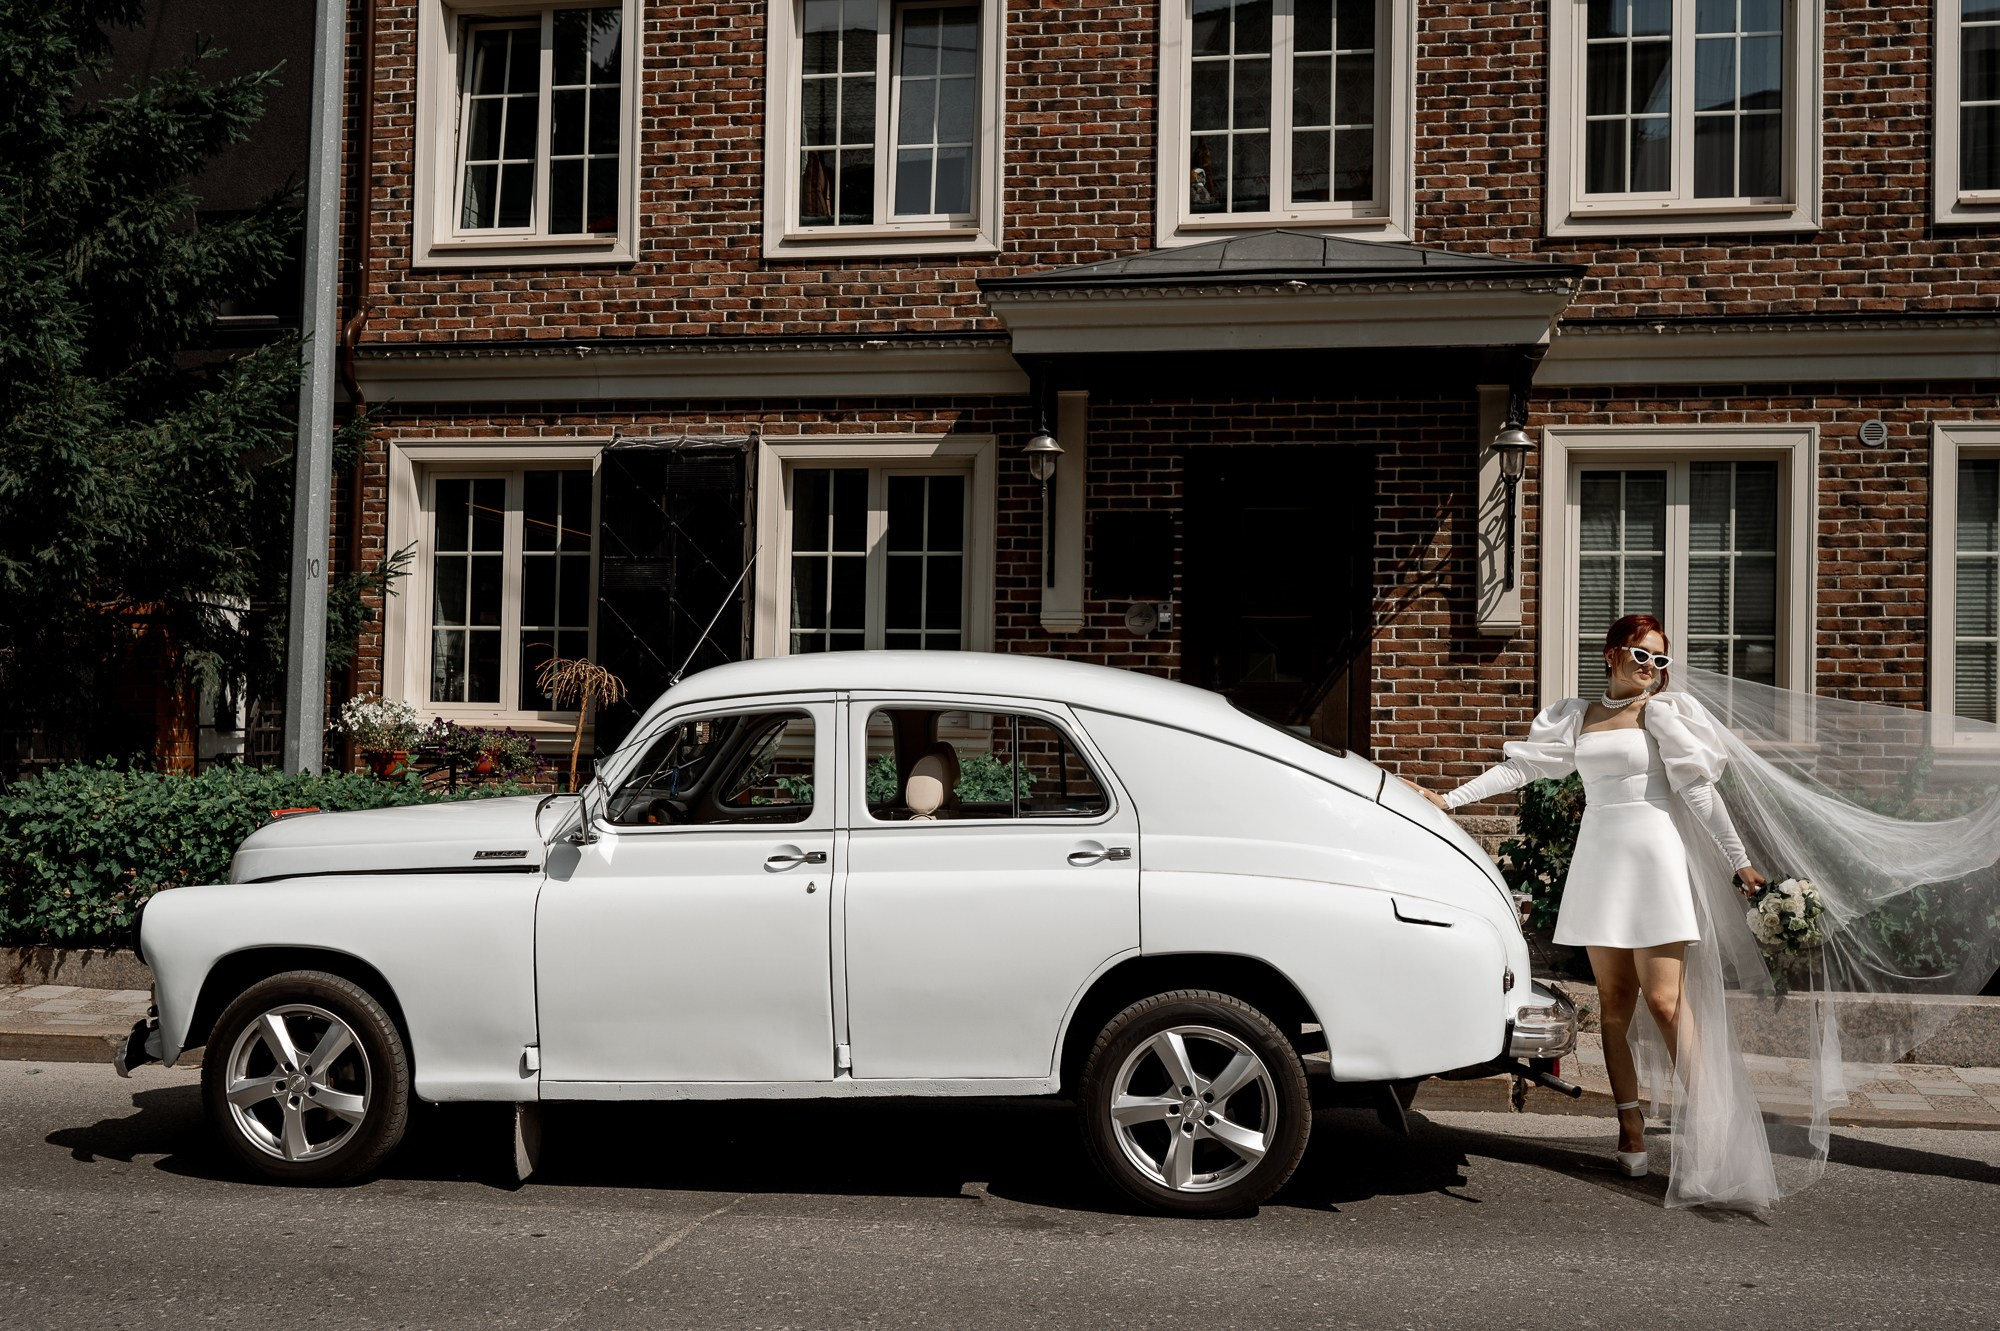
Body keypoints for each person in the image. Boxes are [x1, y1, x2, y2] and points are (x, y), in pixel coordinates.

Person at [1406, 614, 1766, 1185]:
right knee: (1615, 1004)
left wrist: (1738, 860)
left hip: (1655, 859)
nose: (1651, 668)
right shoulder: (1577, 717)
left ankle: (1712, 1130)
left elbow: (1699, 791)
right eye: (1641, 654)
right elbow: (1521, 769)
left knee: (1665, 1002)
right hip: (1602, 861)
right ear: (1612, 653)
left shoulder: (1663, 714)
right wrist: (1450, 800)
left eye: (1660, 660)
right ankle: (1629, 1125)